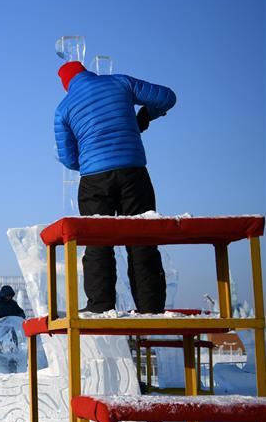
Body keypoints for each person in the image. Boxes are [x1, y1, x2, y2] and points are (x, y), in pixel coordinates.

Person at [54, 61, 176, 314]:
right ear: (87, 71)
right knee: (141, 237)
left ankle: (100, 306)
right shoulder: (120, 82)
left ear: (66, 84)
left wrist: (89, 160)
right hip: (133, 173)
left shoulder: (63, 109)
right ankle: (151, 307)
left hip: (94, 180)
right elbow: (166, 97)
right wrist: (143, 116)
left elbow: (67, 158)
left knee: (97, 241)